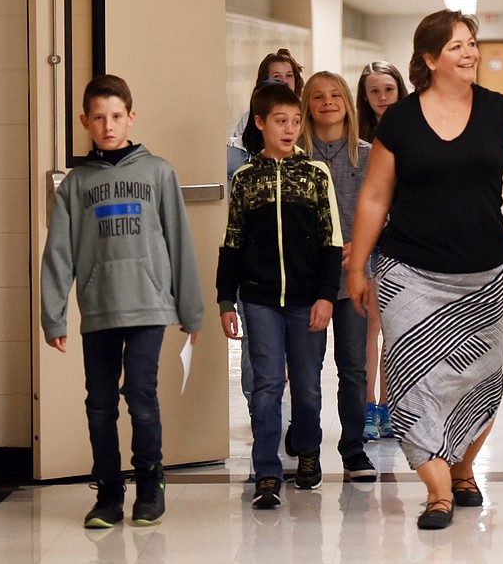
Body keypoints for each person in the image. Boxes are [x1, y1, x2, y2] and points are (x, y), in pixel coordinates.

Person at [346, 9, 503, 530]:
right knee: (411, 381)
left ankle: (463, 470)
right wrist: (357, 267)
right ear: (430, 59)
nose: (470, 52)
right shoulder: (402, 120)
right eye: (457, 45)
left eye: (472, 43)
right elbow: (374, 196)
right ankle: (437, 491)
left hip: (486, 276)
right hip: (409, 269)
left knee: (480, 380)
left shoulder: (500, 112)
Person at [41, 74, 204, 529]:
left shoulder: (159, 173)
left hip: (150, 304)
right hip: (99, 307)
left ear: (131, 117)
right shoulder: (75, 185)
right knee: (99, 404)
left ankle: (150, 482)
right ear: (85, 122)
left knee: (141, 393)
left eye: (116, 116)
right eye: (98, 117)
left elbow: (180, 242)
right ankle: (109, 492)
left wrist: (190, 310)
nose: (108, 125)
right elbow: (58, 252)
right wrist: (53, 317)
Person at [217, 81, 343, 510]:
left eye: (294, 122)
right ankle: (267, 470)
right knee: (267, 386)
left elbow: (332, 241)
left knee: (307, 386)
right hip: (259, 300)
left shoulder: (314, 174)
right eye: (279, 121)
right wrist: (224, 300)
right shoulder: (246, 180)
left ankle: (307, 450)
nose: (289, 130)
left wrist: (327, 296)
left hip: (308, 299)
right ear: (260, 123)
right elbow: (231, 241)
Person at [298, 70, 377, 482]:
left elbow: (385, 214)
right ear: (306, 107)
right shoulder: (294, 157)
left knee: (353, 369)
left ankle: (353, 450)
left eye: (335, 95)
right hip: (306, 282)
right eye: (318, 97)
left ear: (347, 102)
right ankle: (308, 450)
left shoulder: (369, 156)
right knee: (306, 371)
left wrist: (360, 250)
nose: (328, 102)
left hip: (354, 278)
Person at [227, 49, 308, 412]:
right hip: (257, 265)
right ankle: (261, 409)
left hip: (297, 264)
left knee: (299, 350)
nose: (281, 81)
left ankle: (293, 418)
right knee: (256, 346)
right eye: (273, 76)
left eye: (287, 76)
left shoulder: (304, 140)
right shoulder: (245, 135)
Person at [355, 60, 409, 441]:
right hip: (367, 241)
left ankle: (390, 406)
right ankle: (369, 405)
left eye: (388, 89)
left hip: (402, 240)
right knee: (368, 327)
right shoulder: (356, 136)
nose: (382, 97)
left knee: (394, 328)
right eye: (374, 91)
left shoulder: (412, 129)